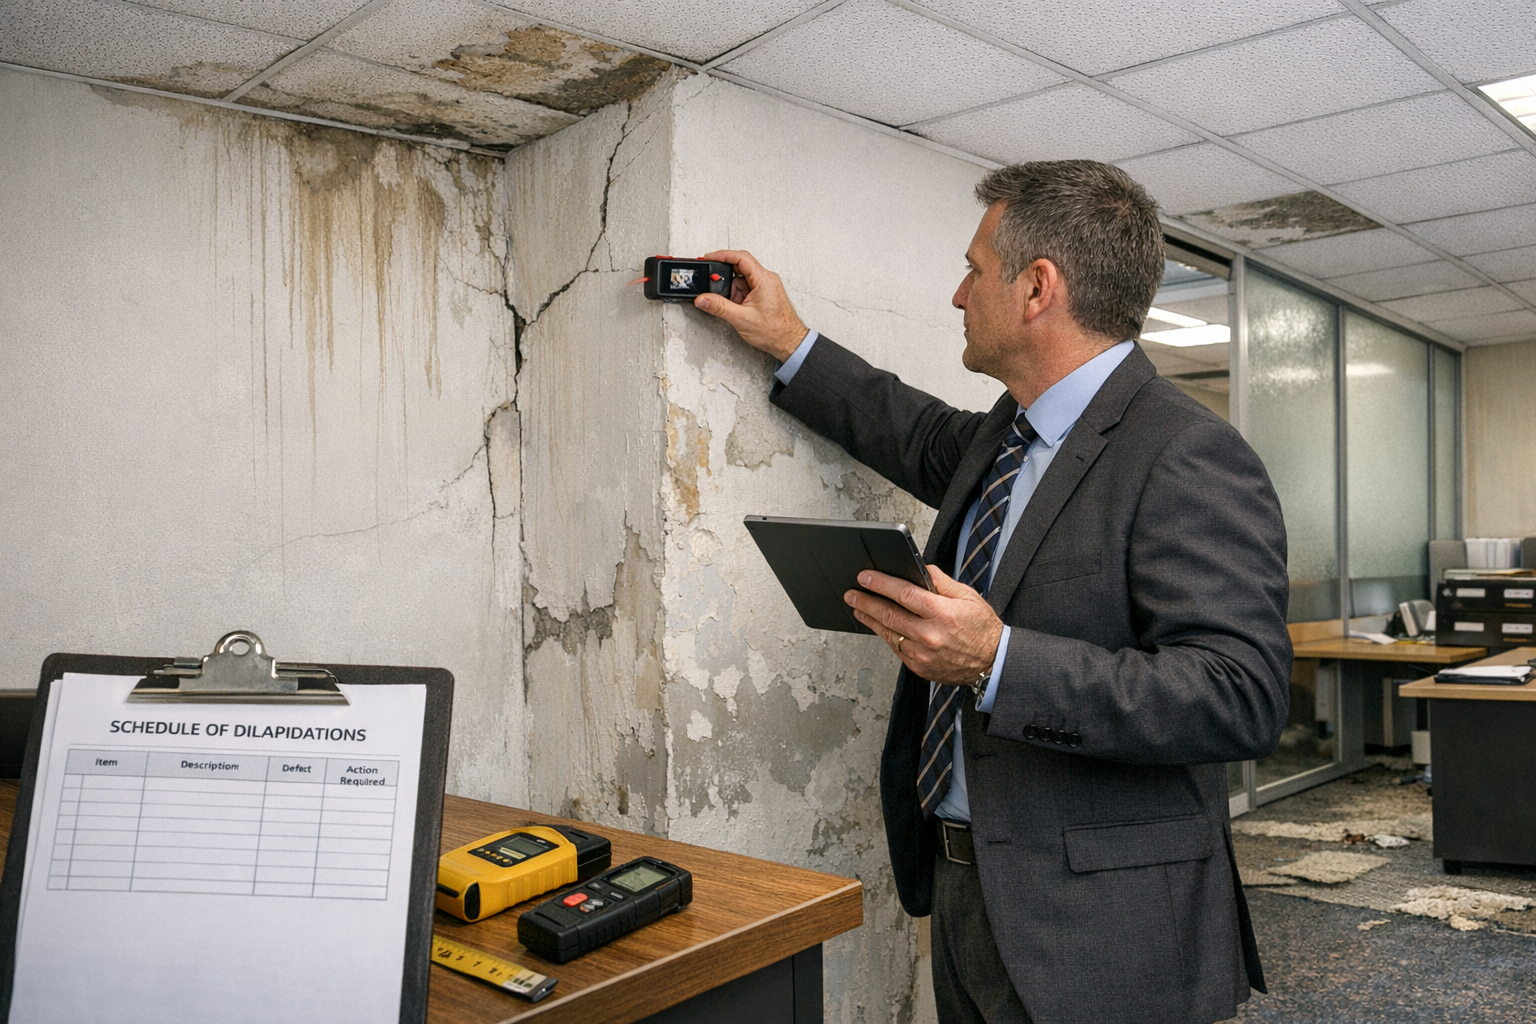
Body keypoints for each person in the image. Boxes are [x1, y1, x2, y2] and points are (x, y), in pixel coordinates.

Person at [693, 160, 1292, 1024]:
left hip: (1105, 931)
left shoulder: (1185, 451)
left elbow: (1240, 695)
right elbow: (907, 427)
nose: (957, 294)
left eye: (973, 270)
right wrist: (789, 340)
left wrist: (996, 660)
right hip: (966, 889)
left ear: (1037, 287)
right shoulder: (1006, 436)